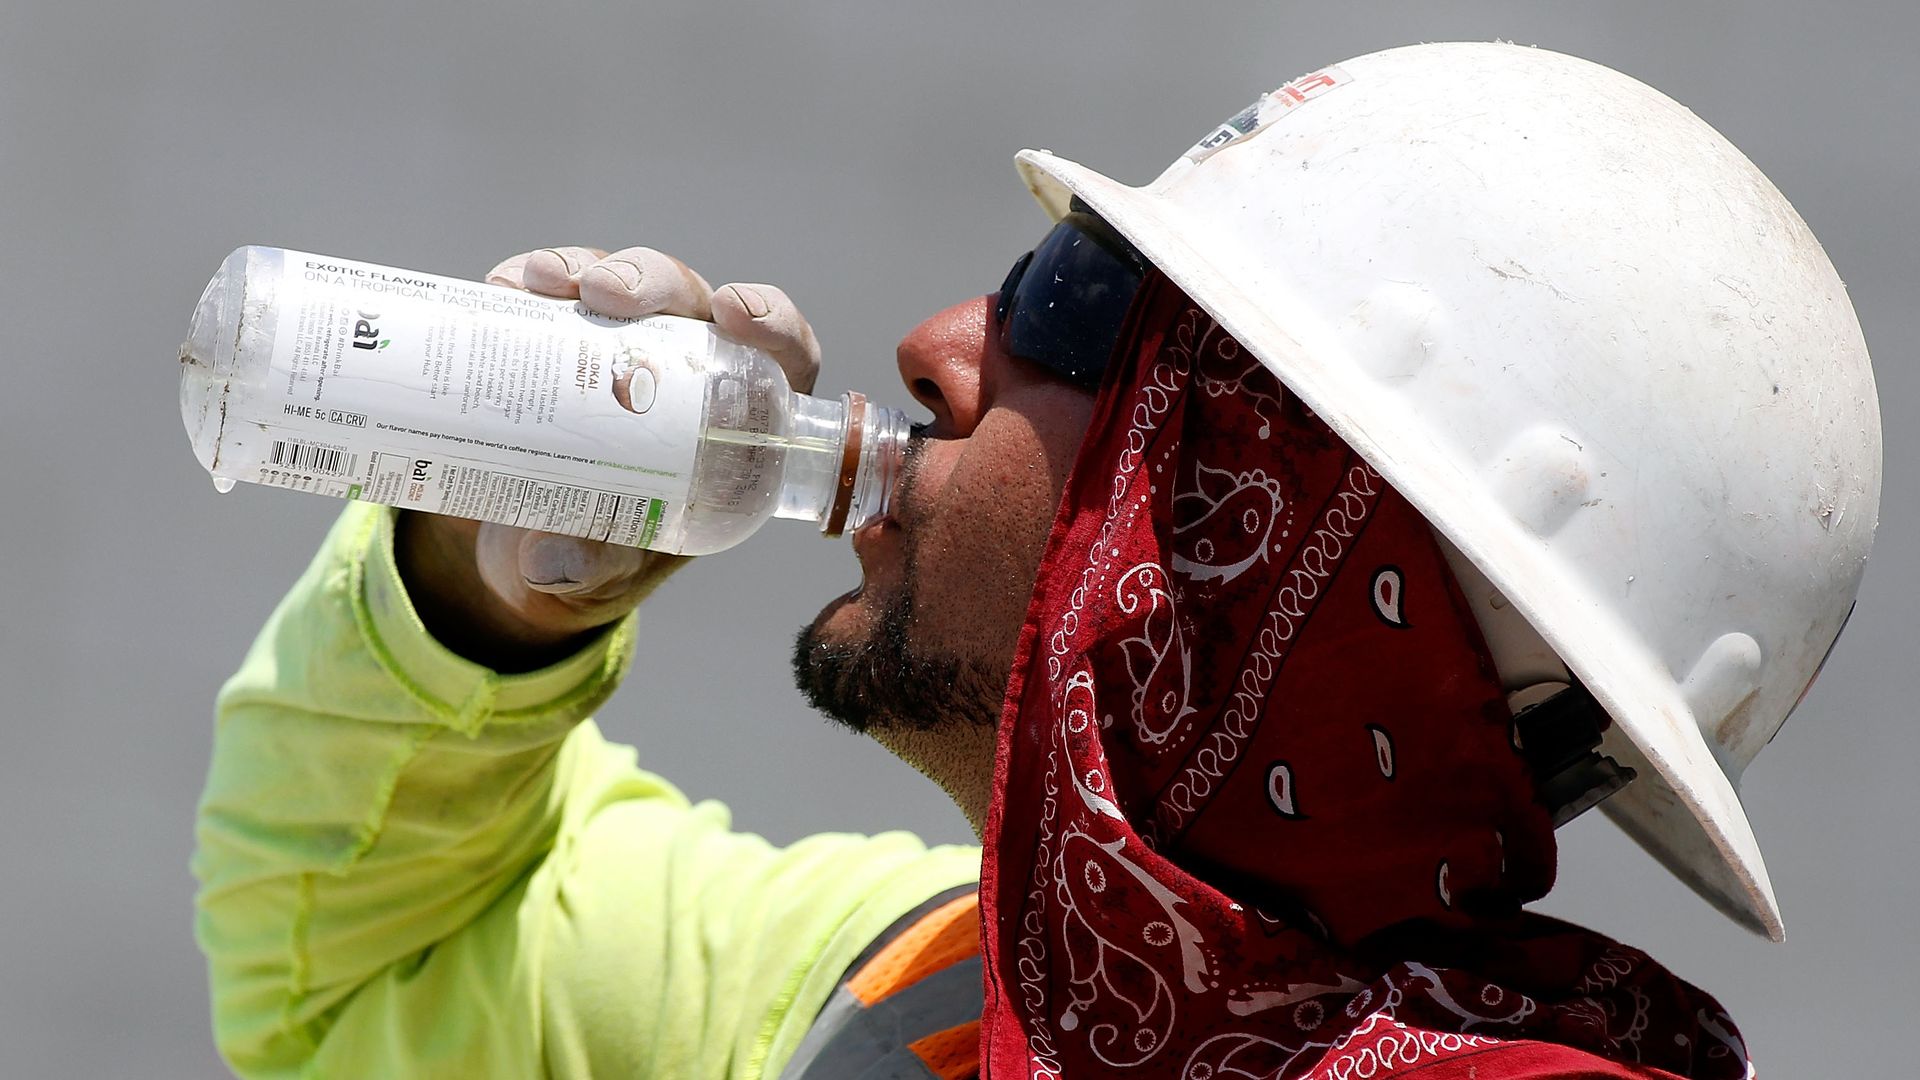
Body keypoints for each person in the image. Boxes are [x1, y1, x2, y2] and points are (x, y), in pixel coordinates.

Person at [193, 43, 1880, 1079]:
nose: (935, 345)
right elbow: (368, 986)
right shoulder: (918, 986)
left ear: (1262, 554)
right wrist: (474, 603)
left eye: (1073, 311)